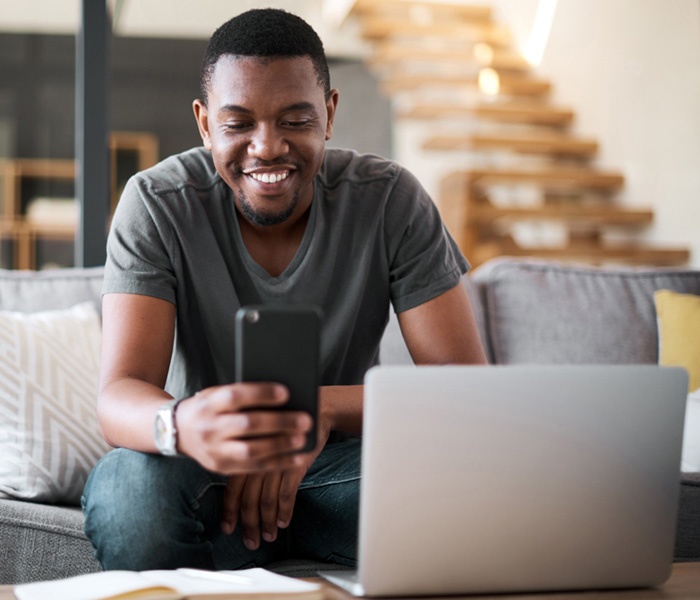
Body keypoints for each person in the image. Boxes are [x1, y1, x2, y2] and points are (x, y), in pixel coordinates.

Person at [81, 8, 487, 571]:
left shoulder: (391, 199)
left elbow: (467, 393)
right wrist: (183, 424)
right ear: (204, 124)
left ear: (330, 113)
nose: (267, 146)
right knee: (128, 488)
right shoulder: (156, 203)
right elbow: (119, 393)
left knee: (481, 483)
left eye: (295, 120)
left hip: (338, 477)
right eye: (237, 123)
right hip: (210, 477)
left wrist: (317, 410)